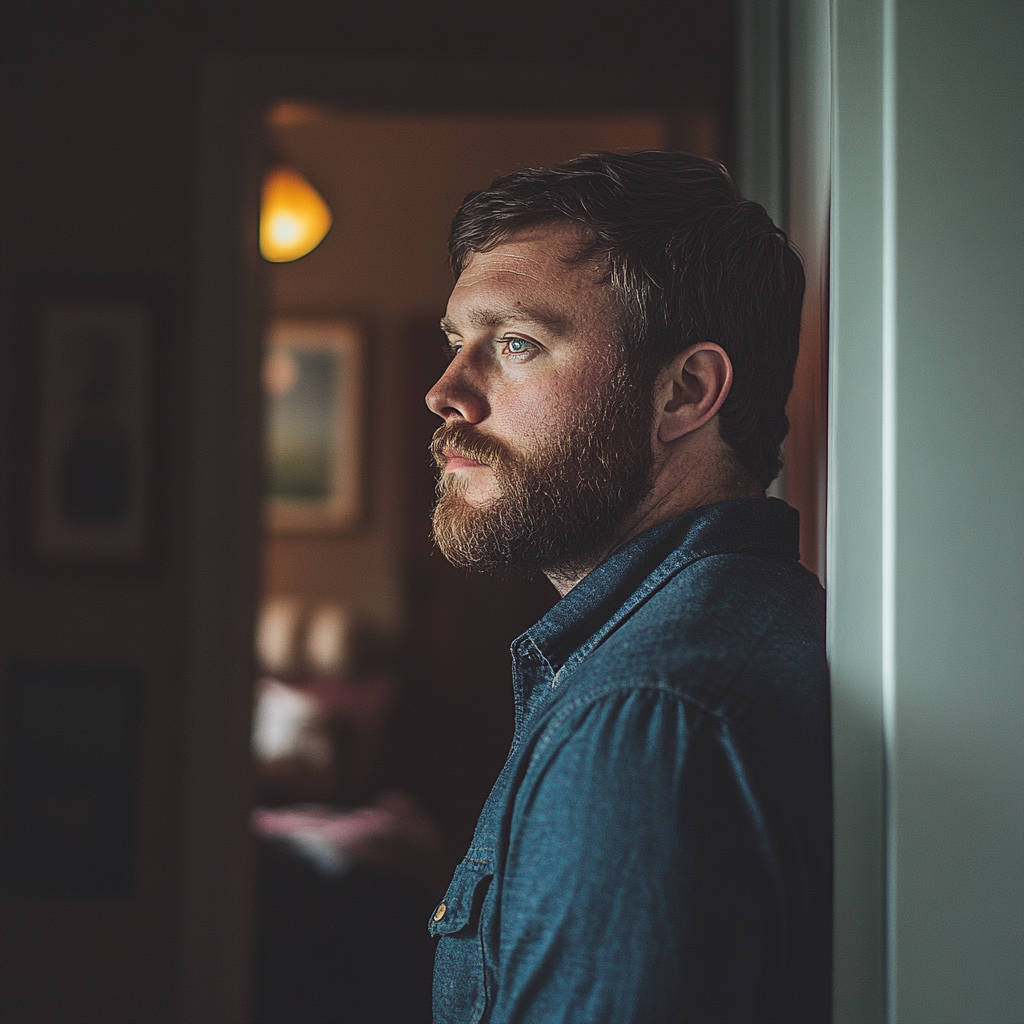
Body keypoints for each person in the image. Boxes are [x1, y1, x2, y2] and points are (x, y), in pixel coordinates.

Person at [424, 151, 831, 1024]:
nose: (446, 392)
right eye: (458, 343)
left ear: (685, 393)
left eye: (518, 344)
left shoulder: (645, 718)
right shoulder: (735, 630)